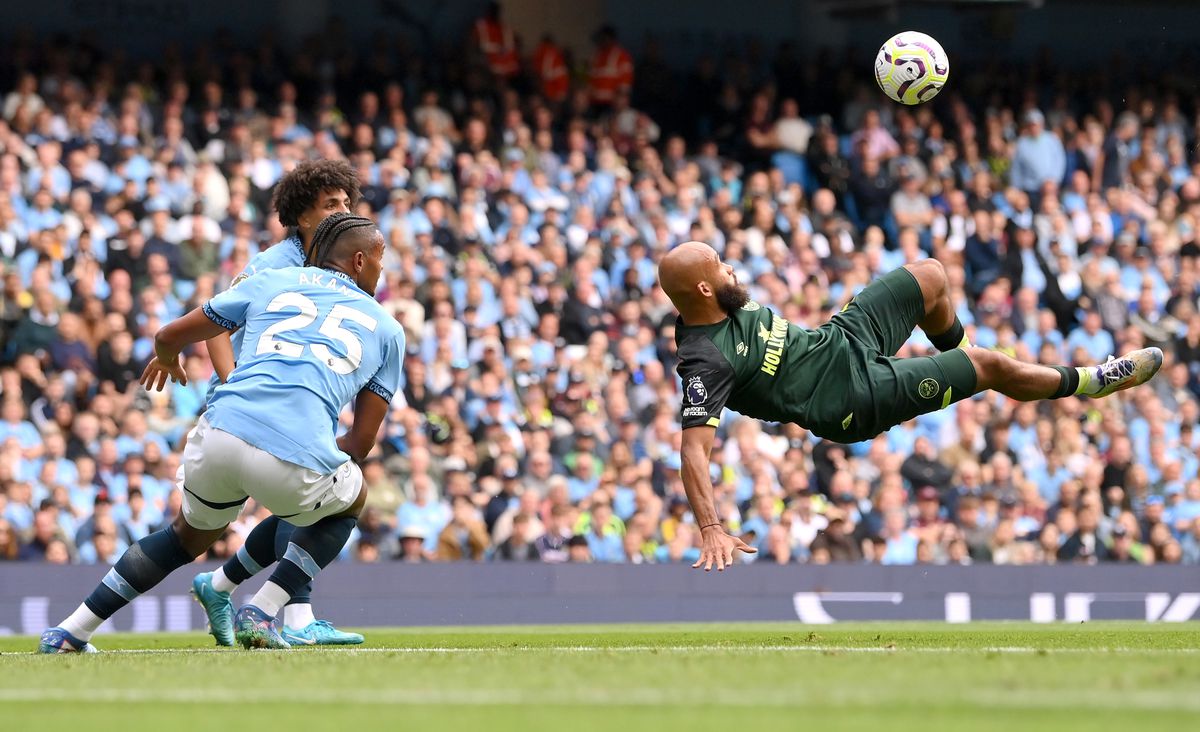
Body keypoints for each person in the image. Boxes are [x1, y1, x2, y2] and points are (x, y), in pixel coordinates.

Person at [660, 241, 1162, 571]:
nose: (730, 267)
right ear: (704, 288)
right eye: (719, 266)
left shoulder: (721, 298)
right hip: (849, 398)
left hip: (837, 341)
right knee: (991, 366)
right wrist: (710, 525)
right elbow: (693, 452)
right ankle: (1094, 381)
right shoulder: (706, 361)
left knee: (931, 275)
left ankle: (956, 360)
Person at [39, 214, 405, 652]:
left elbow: (169, 333)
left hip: (219, 432)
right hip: (294, 455)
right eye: (381, 260)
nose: (383, 270)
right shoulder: (387, 328)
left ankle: (70, 631)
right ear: (360, 260)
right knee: (350, 498)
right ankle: (263, 609)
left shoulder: (274, 279)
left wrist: (168, 355)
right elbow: (362, 445)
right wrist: (317, 452)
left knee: (183, 537)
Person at [192, 159, 366, 647]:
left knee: (297, 507)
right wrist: (234, 386)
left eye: (347, 202)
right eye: (331, 203)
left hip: (298, 402)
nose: (342, 211)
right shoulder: (274, 264)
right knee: (309, 503)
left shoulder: (334, 263)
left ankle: (221, 585)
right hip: (257, 406)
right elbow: (214, 327)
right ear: (301, 216)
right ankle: (293, 618)